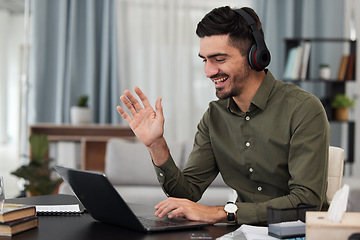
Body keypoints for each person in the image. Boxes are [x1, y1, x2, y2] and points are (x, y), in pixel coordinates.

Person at [116, 6, 330, 225]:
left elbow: (307, 202)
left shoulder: (303, 109)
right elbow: (187, 194)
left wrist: (220, 212)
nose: (209, 72)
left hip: (298, 233)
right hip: (243, 233)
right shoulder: (214, 117)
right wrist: (156, 144)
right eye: (204, 60)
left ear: (255, 56)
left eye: (219, 59)